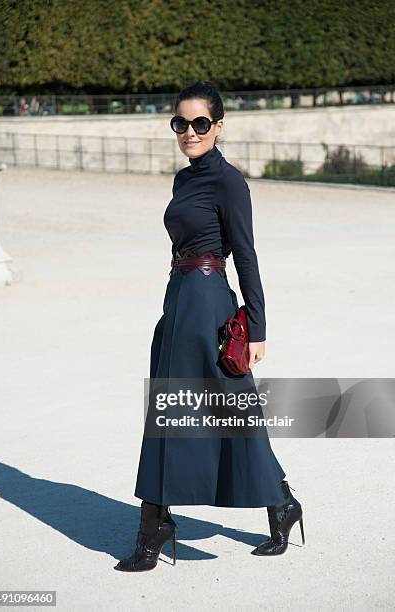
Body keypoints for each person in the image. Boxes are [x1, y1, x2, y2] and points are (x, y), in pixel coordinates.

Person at [114, 81, 305, 573]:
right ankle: (156, 525)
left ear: (218, 126)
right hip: (179, 301)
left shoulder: (229, 182)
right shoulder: (183, 179)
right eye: (181, 123)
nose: (190, 132)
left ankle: (278, 503)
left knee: (234, 412)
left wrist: (257, 328)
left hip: (212, 307)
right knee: (168, 409)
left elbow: (247, 255)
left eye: (201, 123)